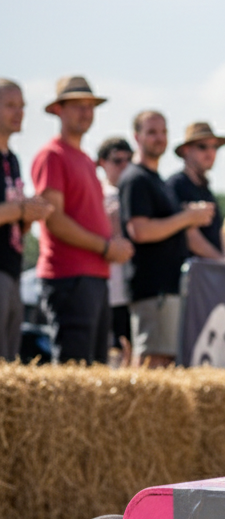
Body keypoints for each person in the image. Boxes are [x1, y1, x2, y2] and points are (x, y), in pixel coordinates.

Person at [31, 75, 132, 364]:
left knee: (94, 370)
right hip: (69, 276)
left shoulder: (85, 160)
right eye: (78, 105)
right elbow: (54, 219)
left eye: (90, 106)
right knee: (74, 369)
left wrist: (112, 246)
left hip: (94, 276)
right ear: (58, 110)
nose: (86, 112)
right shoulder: (52, 155)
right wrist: (106, 247)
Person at [119, 110, 214, 368]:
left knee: (165, 362)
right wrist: (187, 218)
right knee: (152, 362)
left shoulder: (157, 180)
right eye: (151, 132)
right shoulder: (136, 178)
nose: (159, 138)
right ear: (137, 137)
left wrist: (187, 216)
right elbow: (140, 230)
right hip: (153, 289)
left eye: (163, 132)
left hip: (167, 289)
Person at [0, 80, 52, 360]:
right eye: (10, 105)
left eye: (22, 106)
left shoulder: (13, 160)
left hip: (13, 272)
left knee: (8, 367)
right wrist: (21, 209)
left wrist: (30, 215)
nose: (18, 112)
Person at [166, 121, 225, 275]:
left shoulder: (206, 189)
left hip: (207, 276)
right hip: (186, 276)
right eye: (202, 146)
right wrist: (222, 260)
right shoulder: (176, 185)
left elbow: (219, 231)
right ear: (186, 150)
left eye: (215, 147)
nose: (210, 152)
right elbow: (188, 235)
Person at [95, 136, 134, 355]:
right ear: (103, 163)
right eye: (118, 161)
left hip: (132, 291)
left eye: (129, 160)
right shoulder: (98, 194)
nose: (124, 166)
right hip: (110, 290)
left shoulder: (134, 190)